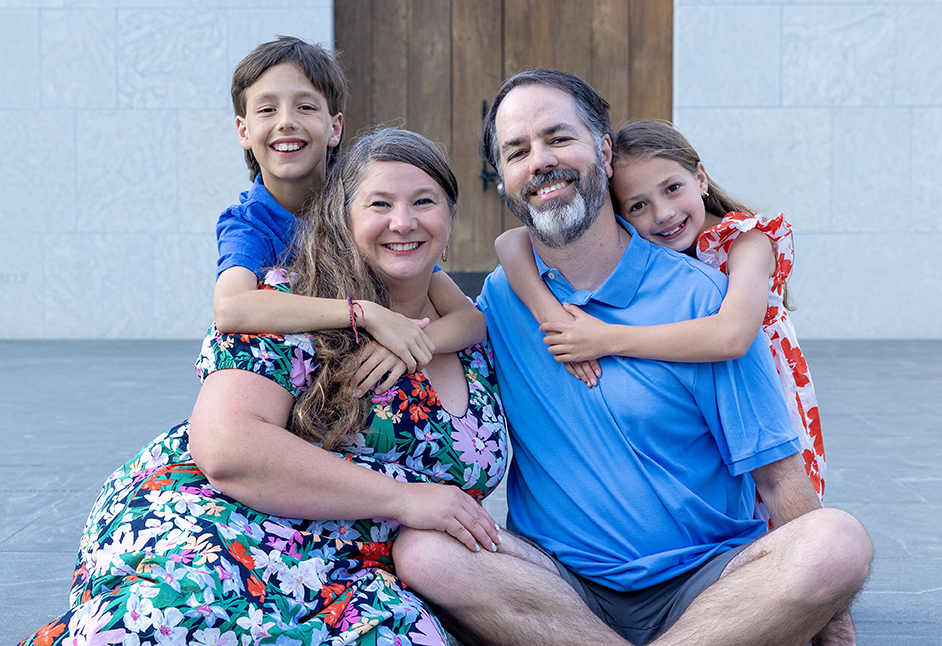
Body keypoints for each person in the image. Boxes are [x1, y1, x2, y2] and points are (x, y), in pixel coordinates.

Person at [392, 69, 871, 646]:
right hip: (558, 586)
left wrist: (832, 625)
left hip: (710, 581)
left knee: (836, 543)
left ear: (604, 149)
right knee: (424, 549)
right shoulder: (502, 298)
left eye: (558, 137)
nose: (540, 160)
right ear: (504, 180)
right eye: (517, 151)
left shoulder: (698, 297)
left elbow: (779, 476)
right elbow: (414, 271)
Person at [20, 128, 507, 646]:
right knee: (166, 624)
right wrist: (405, 499)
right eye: (379, 203)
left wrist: (421, 341)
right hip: (229, 526)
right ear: (344, 220)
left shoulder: (470, 328)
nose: (402, 222)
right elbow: (228, 448)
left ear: (451, 221)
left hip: (362, 572)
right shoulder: (292, 302)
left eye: (424, 202)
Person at [494, 118, 825, 520]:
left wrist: (606, 338)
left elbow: (733, 336)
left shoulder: (746, 240)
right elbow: (510, 242)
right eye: (638, 206)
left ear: (700, 177)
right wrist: (549, 313)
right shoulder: (656, 263)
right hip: (706, 396)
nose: (664, 214)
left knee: (777, 509)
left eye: (672, 189)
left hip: (763, 392)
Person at [215, 36, 484, 394]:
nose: (286, 122)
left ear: (335, 127)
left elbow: (469, 319)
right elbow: (232, 307)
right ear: (243, 131)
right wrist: (364, 313)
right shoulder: (251, 222)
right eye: (267, 110)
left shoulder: (366, 205)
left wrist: (411, 343)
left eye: (306, 107)